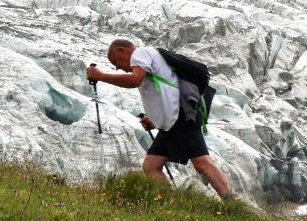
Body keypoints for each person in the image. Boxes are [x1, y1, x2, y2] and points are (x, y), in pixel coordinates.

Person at [86, 38, 233, 200]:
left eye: (116, 61)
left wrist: (101, 76)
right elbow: (166, 89)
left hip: (182, 117)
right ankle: (171, 202)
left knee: (201, 163)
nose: (118, 68)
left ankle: (229, 202)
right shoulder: (150, 57)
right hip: (172, 122)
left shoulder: (139, 54)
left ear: (122, 50)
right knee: (151, 166)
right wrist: (153, 120)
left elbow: (135, 80)